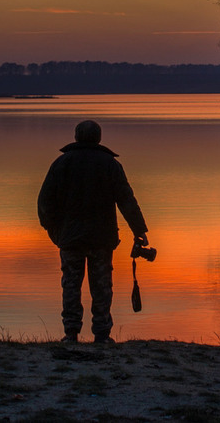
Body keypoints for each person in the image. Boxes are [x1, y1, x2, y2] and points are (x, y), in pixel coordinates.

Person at [37, 119, 149, 344]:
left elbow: (45, 202)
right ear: (98, 138)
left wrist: (54, 230)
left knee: (71, 285)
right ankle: (102, 334)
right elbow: (126, 200)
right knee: (102, 286)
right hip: (101, 238)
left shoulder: (62, 163)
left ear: (76, 136)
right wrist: (139, 230)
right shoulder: (109, 164)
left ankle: (71, 333)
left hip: (71, 238)